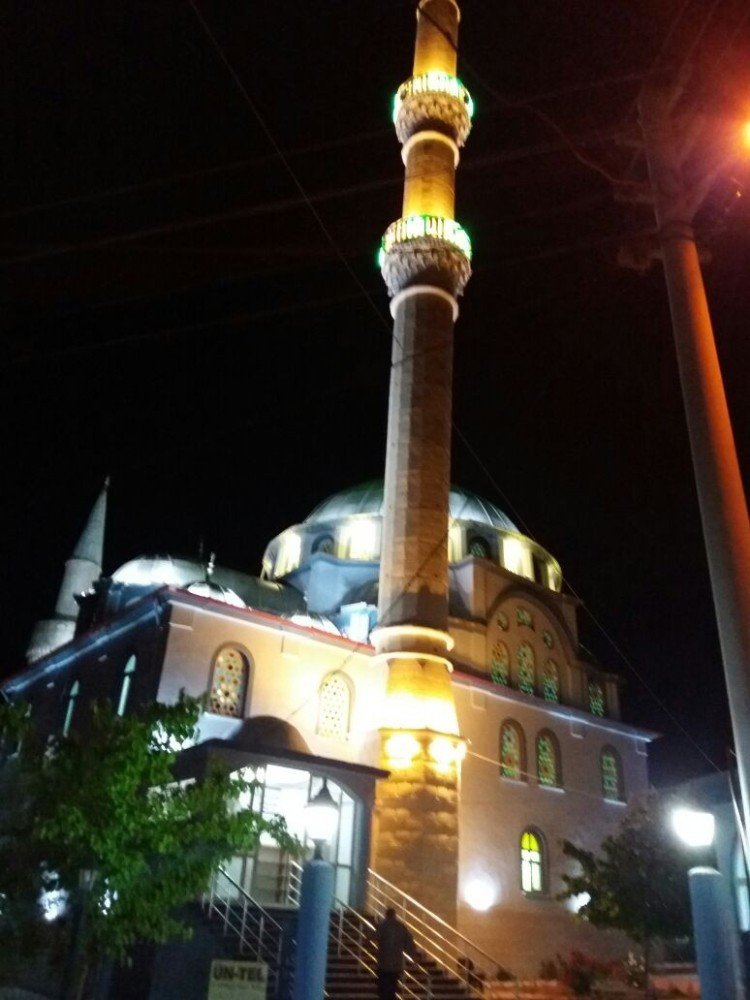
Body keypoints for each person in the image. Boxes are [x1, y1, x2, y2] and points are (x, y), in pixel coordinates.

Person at [375, 907, 415, 1000]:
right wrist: (412, 956)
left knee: (383, 988)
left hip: (384, 962)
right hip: (397, 963)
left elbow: (374, 936)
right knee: (392, 988)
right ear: (394, 915)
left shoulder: (383, 925)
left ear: (386, 915)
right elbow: (409, 942)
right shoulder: (401, 926)